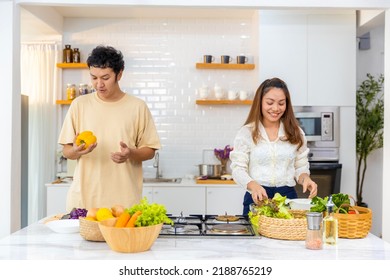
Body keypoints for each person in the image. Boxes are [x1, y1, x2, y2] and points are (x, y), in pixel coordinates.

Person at [58, 45, 161, 211]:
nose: (99, 84)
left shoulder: (137, 107)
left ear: (119, 74)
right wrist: (76, 151)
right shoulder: (79, 105)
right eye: (94, 78)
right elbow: (66, 151)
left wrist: (131, 153)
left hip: (124, 204)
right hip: (84, 202)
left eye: (105, 78)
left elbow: (150, 151)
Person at [230, 77, 317, 216]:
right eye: (270, 103)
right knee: (257, 237)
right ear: (260, 102)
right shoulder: (247, 132)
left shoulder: (295, 132)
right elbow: (238, 168)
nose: (276, 108)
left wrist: (305, 178)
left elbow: (300, 166)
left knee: (285, 236)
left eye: (281, 103)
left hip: (287, 199)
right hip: (257, 198)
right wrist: (253, 185)